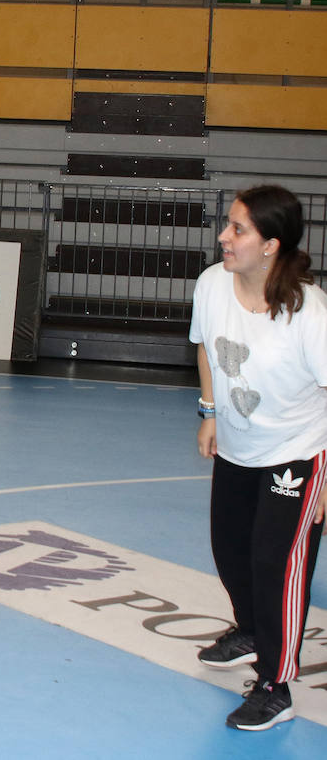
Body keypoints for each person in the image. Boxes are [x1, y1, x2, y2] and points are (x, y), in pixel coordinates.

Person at [190, 184, 327, 731]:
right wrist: (209, 411)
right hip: (238, 449)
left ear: (270, 245)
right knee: (230, 549)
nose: (224, 236)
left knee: (277, 566)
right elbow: (204, 345)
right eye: (228, 224)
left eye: (238, 229)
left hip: (297, 454)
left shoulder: (311, 314)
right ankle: (249, 630)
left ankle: (276, 683)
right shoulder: (211, 285)